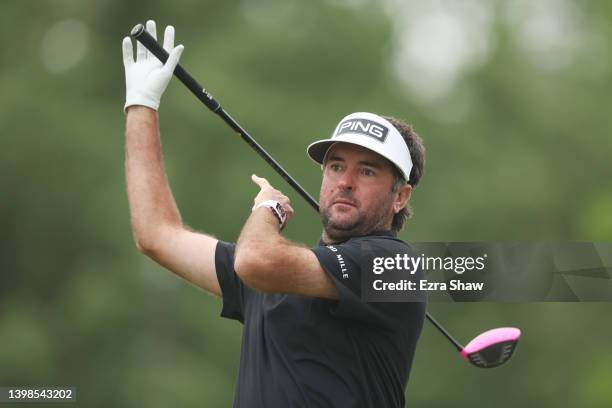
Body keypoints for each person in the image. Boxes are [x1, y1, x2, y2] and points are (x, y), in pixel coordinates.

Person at [122, 20, 426, 408]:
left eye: (367, 171)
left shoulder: (394, 266)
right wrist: (141, 106)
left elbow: (256, 260)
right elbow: (155, 234)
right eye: (336, 166)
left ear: (400, 196)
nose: (345, 181)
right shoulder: (276, 277)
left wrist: (267, 209)